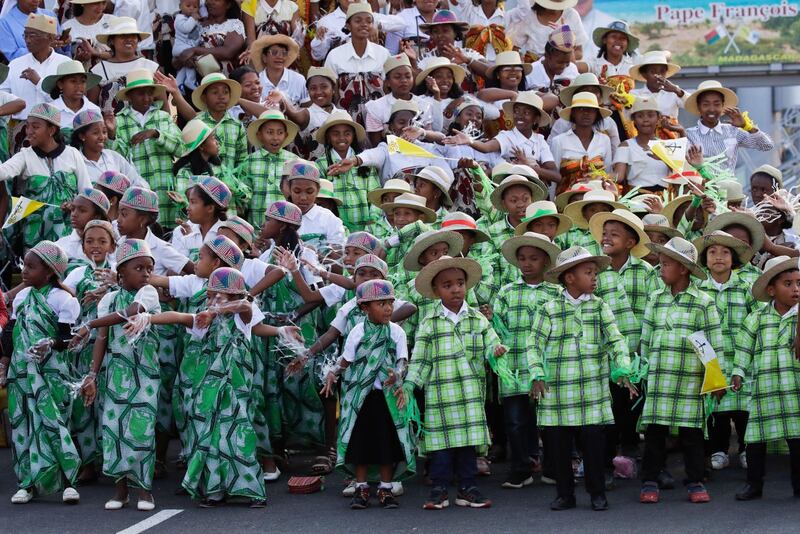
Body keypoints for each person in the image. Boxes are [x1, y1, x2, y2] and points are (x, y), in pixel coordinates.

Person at [138, 267, 274, 507]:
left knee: (236, 438)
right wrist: (147, 318)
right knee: (209, 438)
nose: (210, 301)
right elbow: (178, 318)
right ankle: (214, 491)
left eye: (218, 296)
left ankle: (251, 491)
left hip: (235, 391)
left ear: (233, 296)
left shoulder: (243, 318)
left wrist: (217, 310)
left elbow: (245, 306)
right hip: (207, 391)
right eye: (209, 296)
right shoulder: (203, 319)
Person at [531, 245, 636, 511]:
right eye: (588, 272)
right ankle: (565, 494)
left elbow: (615, 339)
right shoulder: (549, 308)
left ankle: (597, 493)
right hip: (557, 393)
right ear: (569, 278)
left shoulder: (600, 307)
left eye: (595, 272)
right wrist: (536, 373)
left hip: (592, 392)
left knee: (593, 446)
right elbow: (534, 344)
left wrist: (622, 368)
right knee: (559, 449)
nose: (594, 277)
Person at [402, 255, 506, 510]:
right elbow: (421, 360)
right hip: (440, 394)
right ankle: (439, 488)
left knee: (467, 444)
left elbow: (490, 343)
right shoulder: (429, 323)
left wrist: (496, 351)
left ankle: (467, 488)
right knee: (441, 446)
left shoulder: (477, 319)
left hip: (469, 392)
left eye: (460, 282)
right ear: (437, 291)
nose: (455, 288)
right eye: (447, 285)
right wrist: (409, 385)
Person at [69, 239, 160, 510]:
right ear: (120, 272)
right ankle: (120, 492)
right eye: (139, 268)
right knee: (113, 430)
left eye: (149, 268)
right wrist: (92, 375)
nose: (145, 273)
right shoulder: (108, 299)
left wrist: (89, 324)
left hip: (144, 374)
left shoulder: (148, 294)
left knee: (141, 432)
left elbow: (130, 313)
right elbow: (102, 340)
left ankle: (145, 491)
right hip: (115, 374)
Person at [639, 237, 724, 504]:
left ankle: (695, 480)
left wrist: (715, 380)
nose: (661, 269)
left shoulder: (703, 302)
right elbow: (646, 337)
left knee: (692, 434)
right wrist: (642, 372)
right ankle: (650, 479)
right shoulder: (655, 299)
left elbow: (713, 342)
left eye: (666, 264)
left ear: (684, 269)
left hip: (690, 378)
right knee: (655, 432)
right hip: (660, 377)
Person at [321, 279, 415, 510]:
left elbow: (403, 362)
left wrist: (397, 376)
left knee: (386, 445)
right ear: (364, 308)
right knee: (360, 445)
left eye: (390, 303)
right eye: (381, 304)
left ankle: (386, 488)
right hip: (360, 398)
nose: (388, 309)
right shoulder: (358, 331)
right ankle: (361, 488)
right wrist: (333, 373)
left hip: (387, 399)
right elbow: (346, 360)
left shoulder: (397, 332)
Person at [2, 241, 81, 505]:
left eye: (32, 266)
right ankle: (26, 483)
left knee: (54, 425)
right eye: (25, 264)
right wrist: (5, 360)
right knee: (22, 426)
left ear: (49, 273)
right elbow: (10, 333)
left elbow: (67, 338)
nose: (25, 270)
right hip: (21, 373)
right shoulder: (22, 297)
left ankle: (69, 481)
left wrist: (51, 344)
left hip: (52, 373)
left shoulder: (63, 299)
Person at [495, 231, 560, 488]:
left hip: (545, 366)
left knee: (550, 419)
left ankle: (553, 467)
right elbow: (496, 327)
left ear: (545, 260)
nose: (526, 263)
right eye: (522, 258)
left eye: (533, 258)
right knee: (514, 421)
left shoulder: (555, 292)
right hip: (512, 367)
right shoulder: (506, 292)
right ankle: (520, 468)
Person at [733, 256, 800, 500]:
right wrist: (738, 371)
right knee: (756, 439)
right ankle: (754, 484)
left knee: (797, 439)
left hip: (795, 388)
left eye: (798, 283)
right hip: (765, 388)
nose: (795, 289)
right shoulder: (758, 318)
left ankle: (798, 485)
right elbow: (744, 348)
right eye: (788, 283)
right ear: (771, 290)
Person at [692, 230, 756, 471]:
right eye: (712, 252)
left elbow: (755, 320)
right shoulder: (699, 288)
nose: (718, 257)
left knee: (743, 408)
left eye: (725, 252)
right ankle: (718, 450)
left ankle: (745, 448)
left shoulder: (745, 287)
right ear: (705, 259)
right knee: (716, 408)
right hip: (710, 356)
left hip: (740, 355)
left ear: (734, 259)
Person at [61, 219, 117, 484]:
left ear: (112, 245)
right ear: (82, 246)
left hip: (111, 347)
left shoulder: (118, 271)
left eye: (102, 241)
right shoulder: (76, 272)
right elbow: (65, 295)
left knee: (109, 403)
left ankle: (113, 463)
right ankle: (88, 462)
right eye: (90, 241)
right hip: (82, 348)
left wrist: (108, 288)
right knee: (82, 407)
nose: (95, 246)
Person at [0, 103, 90, 251]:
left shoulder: (72, 154)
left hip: (68, 232)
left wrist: (74, 205)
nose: (29, 131)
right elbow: (4, 171)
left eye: (35, 127)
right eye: (27, 126)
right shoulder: (25, 155)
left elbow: (86, 193)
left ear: (52, 130)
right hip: (34, 233)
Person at [113, 69, 183, 231]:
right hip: (136, 191)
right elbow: (117, 157)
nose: (146, 98)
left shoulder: (163, 117)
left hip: (165, 189)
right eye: (140, 94)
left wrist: (156, 134)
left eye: (149, 93)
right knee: (141, 233)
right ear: (130, 96)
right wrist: (111, 135)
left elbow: (180, 149)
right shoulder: (120, 121)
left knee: (167, 234)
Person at [685, 80, 775, 174]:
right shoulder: (689, 134)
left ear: (723, 106)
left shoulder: (733, 131)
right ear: (699, 107)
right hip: (700, 187)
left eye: (717, 104)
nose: (712, 109)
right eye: (706, 105)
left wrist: (746, 126)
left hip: (729, 187)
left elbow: (767, 146)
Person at [315, 110, 383, 232]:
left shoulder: (365, 163)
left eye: (347, 133)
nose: (342, 138)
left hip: (367, 229)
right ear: (328, 137)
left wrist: (371, 225)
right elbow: (322, 201)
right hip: (335, 229)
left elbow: (375, 197)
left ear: (353, 136)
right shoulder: (321, 164)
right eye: (335, 134)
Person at [323, 2, 390, 123]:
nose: (364, 24)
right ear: (348, 25)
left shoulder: (383, 54)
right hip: (345, 123)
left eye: (369, 21)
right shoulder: (335, 56)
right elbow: (333, 93)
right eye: (358, 21)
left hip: (378, 123)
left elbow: (388, 89)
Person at [0, 13, 71, 128]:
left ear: (50, 37)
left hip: (56, 127)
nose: (27, 40)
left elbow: (69, 100)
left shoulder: (65, 64)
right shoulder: (15, 65)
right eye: (25, 35)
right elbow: (2, 96)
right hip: (21, 128)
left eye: (33, 36)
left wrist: (39, 82)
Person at [241, 109, 298, 228]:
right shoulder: (249, 161)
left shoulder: (294, 161)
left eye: (280, 132)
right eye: (270, 132)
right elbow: (244, 198)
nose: (275, 137)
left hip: (286, 227)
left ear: (286, 135)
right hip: (257, 227)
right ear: (259, 135)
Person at [549, 92, 614, 194]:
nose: (586, 113)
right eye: (581, 109)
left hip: (597, 197)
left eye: (591, 110)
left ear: (596, 114)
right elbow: (554, 177)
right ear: (573, 113)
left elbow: (607, 173)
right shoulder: (559, 141)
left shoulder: (604, 140)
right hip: (567, 198)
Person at [90, 16, 159, 114]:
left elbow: (163, 105)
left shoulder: (151, 67)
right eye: (123, 36)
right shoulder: (98, 70)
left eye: (133, 36)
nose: (129, 39)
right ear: (112, 41)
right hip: (111, 127)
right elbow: (91, 109)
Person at [70, 109, 147, 187]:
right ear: (82, 136)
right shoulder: (75, 162)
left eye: (104, 132)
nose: (102, 137)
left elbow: (136, 181)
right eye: (95, 133)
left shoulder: (114, 157)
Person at [172, 0, 245, 80]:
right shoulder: (194, 24)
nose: (210, 2)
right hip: (198, 83)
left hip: (224, 80)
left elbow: (228, 51)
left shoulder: (234, 24)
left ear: (228, 5)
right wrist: (184, 60)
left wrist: (195, 50)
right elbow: (177, 59)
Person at [505, 0, 587, 61]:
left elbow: (579, 53)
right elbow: (514, 48)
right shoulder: (528, 16)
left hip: (562, 71)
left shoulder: (572, 15)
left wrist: (559, 58)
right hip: (533, 72)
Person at [41, 59, 102, 137]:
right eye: (73, 81)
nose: (79, 86)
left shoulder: (94, 110)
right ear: (60, 85)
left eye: (83, 81)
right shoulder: (49, 110)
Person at [0, 0, 66, 62]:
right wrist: (44, 46)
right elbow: (12, 56)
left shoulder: (50, 14)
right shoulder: (4, 23)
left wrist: (64, 41)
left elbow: (61, 49)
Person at [61, 0, 117, 69]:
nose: (101, 7)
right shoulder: (67, 27)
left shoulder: (113, 21)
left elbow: (122, 53)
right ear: (83, 4)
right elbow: (63, 59)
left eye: (104, 3)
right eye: (96, 3)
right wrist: (78, 59)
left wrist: (95, 53)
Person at [173, 0, 202, 91]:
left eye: (195, 7)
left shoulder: (191, 19)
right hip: (181, 47)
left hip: (186, 47)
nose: (191, 9)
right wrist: (193, 18)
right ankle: (190, 80)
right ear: (180, 6)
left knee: (183, 68)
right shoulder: (180, 18)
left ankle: (178, 83)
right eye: (188, 5)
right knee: (191, 60)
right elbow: (186, 28)